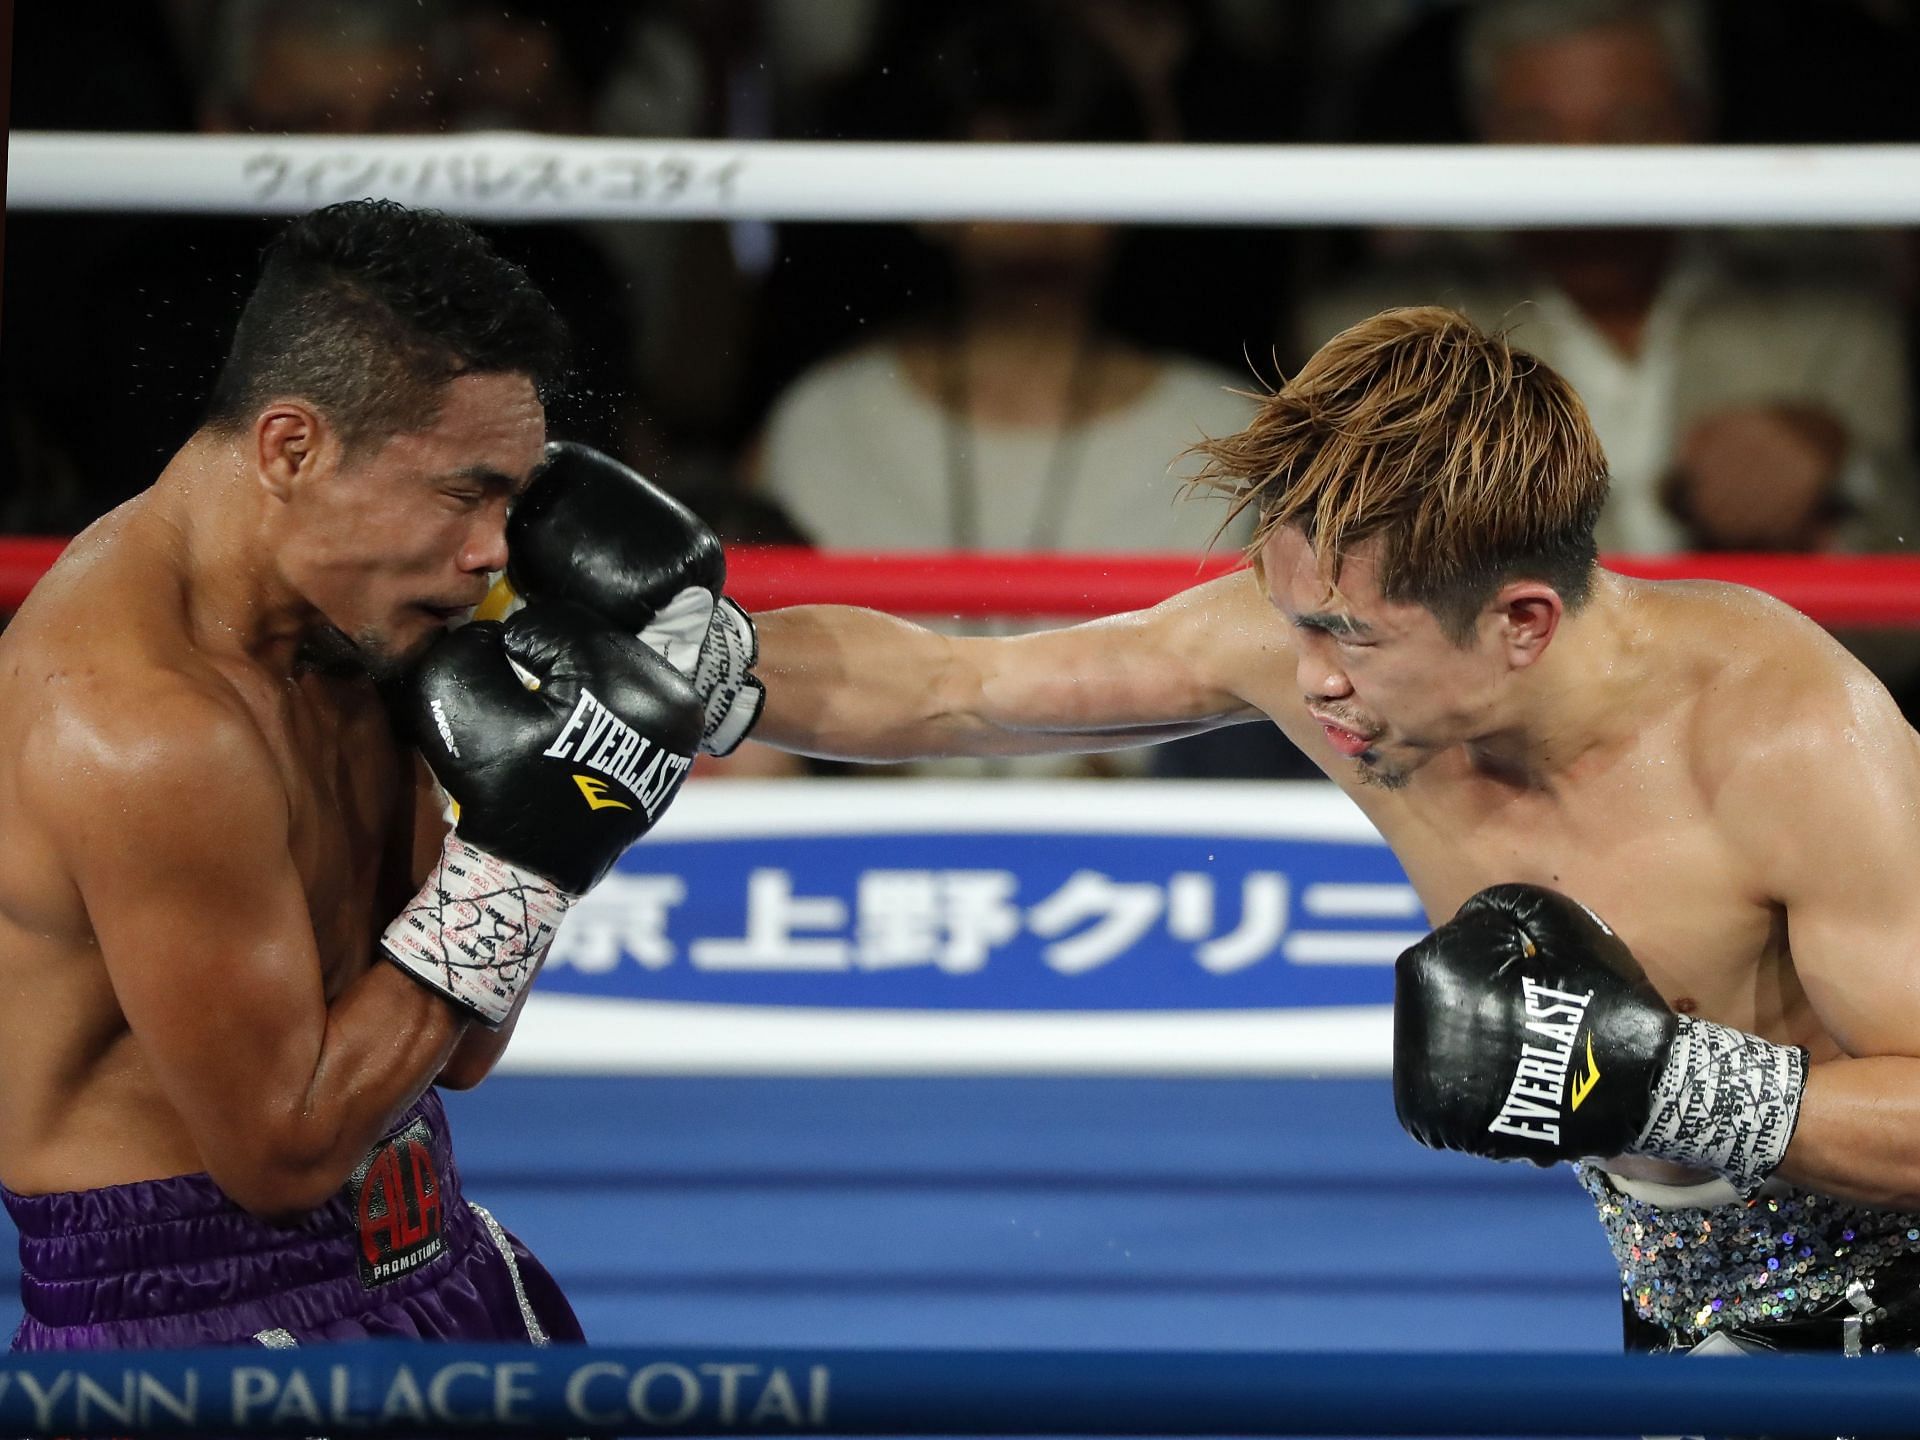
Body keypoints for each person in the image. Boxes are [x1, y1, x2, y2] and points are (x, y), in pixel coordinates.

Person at [686, 304, 1920, 1358]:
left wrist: (1662, 1080)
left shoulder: (1788, 740)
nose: (1309, 678)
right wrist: (688, 659)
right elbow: (961, 690)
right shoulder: (1321, 623)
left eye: (1352, 640)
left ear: (1524, 623)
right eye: (1295, 623)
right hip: (1679, 1300)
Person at [0, 198, 723, 1358]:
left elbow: (458, 1044)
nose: (494, 551)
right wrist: (522, 855)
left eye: (510, 500)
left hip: (429, 1248)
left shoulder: (352, 624)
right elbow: (285, 1153)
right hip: (203, 1331)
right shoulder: (136, 723)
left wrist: (545, 818)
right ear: (292, 447)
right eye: (463, 492)